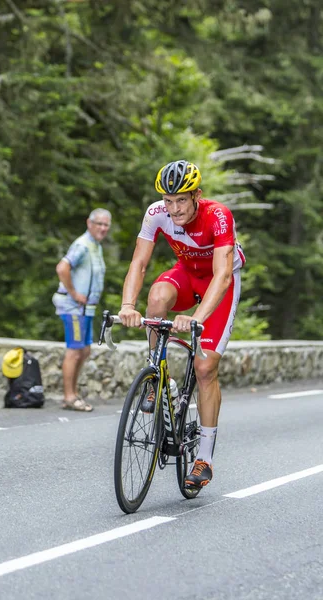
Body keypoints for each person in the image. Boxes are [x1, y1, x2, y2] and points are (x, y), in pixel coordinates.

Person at [119, 160, 245, 488]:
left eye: (181, 201)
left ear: (197, 196)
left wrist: (196, 318)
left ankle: (204, 458)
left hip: (220, 283)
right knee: (158, 297)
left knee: (205, 369)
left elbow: (221, 275)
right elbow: (140, 262)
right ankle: (157, 378)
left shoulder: (218, 216)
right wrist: (128, 306)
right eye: (168, 201)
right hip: (188, 274)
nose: (173, 209)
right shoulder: (156, 213)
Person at [53, 208, 111, 411]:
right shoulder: (82, 245)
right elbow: (62, 267)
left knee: (84, 351)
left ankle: (73, 393)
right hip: (74, 307)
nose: (103, 228)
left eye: (106, 225)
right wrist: (74, 293)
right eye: (99, 224)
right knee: (75, 350)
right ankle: (69, 397)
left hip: (86, 310)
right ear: (89, 223)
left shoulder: (95, 246)